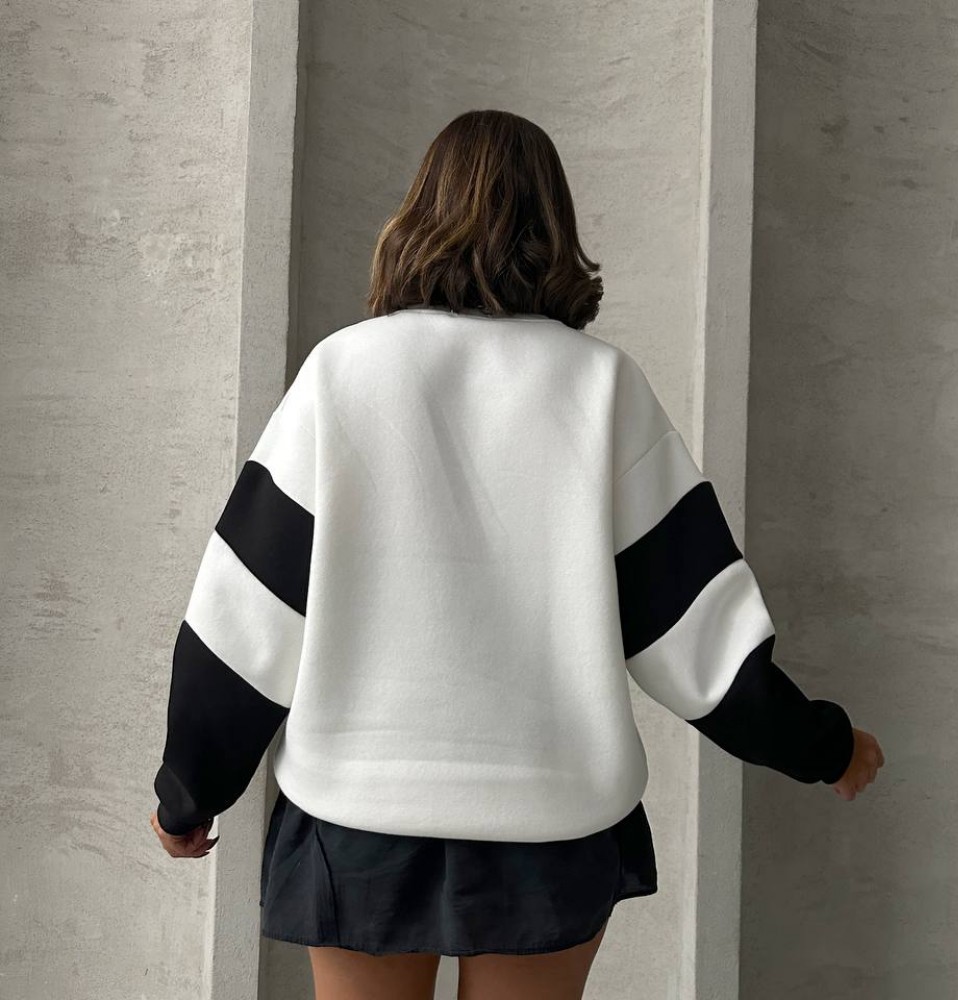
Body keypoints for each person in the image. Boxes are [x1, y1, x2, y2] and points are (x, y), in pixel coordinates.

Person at [149, 109, 884, 1000]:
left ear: (418, 212)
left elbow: (246, 614)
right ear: (554, 224)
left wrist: (190, 791)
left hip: (359, 816)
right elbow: (697, 634)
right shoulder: (602, 387)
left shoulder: (342, 374)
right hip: (552, 823)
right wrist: (824, 746)